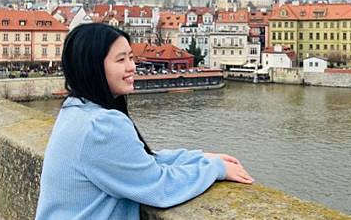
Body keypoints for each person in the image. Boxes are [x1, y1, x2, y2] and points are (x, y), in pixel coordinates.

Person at [35, 23, 253, 220]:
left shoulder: (75, 110)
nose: (132, 67)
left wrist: (197, 157)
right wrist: (215, 169)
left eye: (131, 57)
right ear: (92, 67)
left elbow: (137, 162)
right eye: (121, 60)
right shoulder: (101, 126)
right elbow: (159, 187)